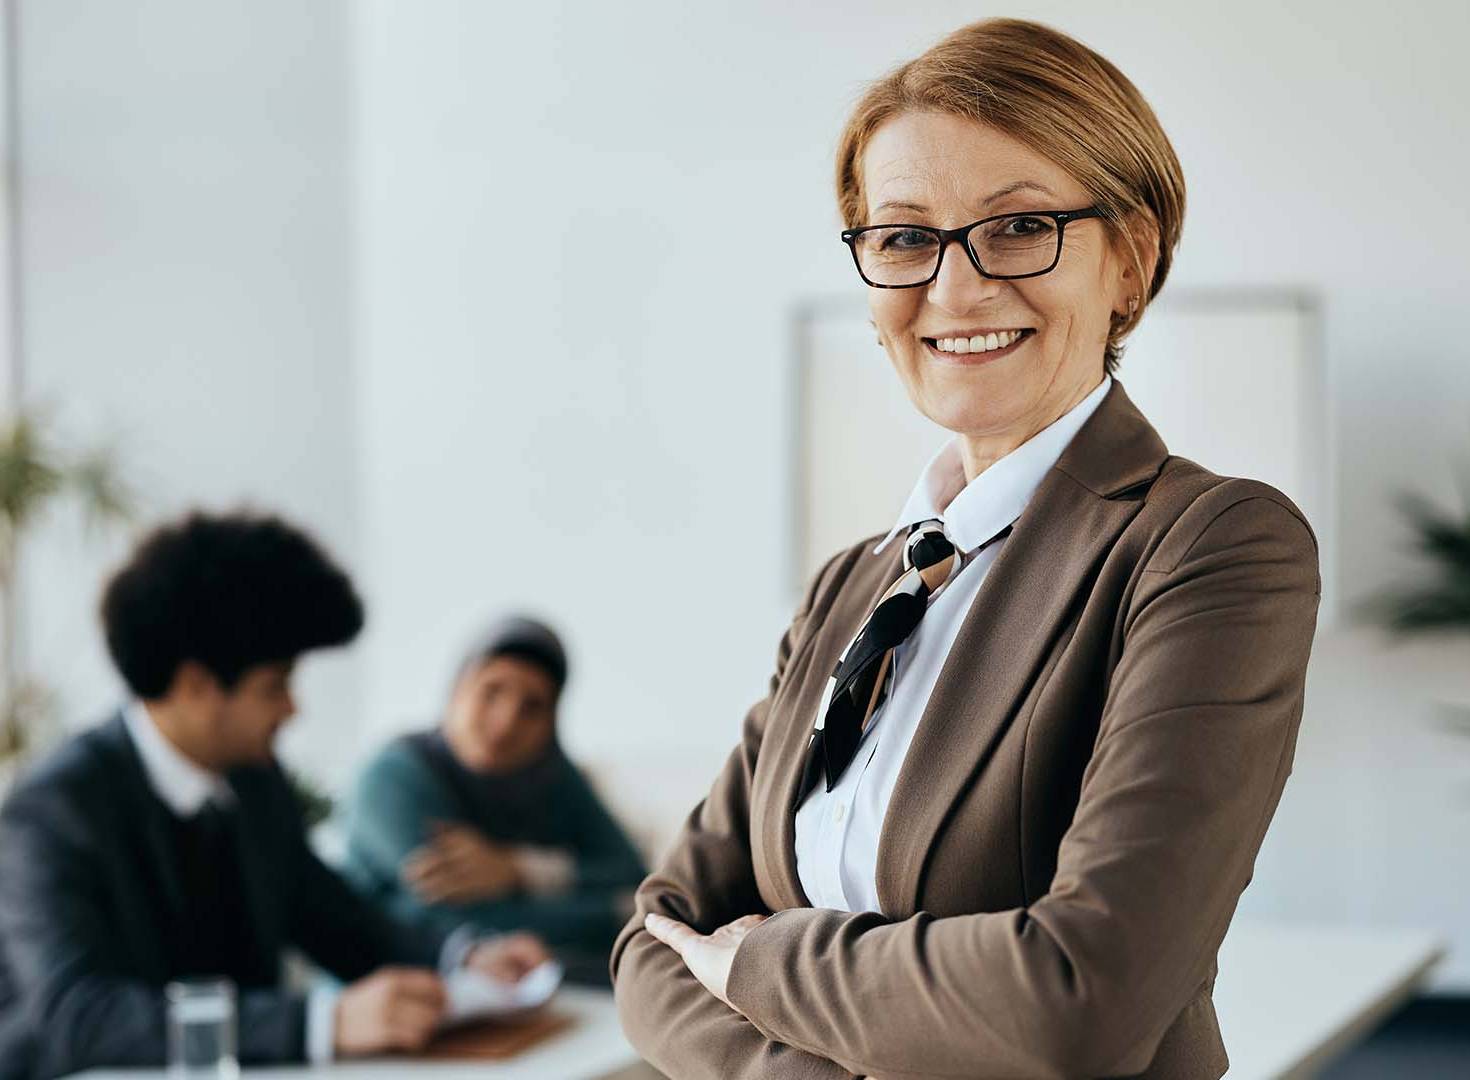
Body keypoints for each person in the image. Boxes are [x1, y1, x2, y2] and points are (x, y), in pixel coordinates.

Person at [612, 18, 1322, 1080]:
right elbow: (651, 944)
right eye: (905, 239)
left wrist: (762, 964)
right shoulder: (853, 586)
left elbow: (1084, 996)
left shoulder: (1209, 547)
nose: (954, 289)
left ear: (1130, 262)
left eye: (1021, 226)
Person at [0, 511, 547, 1079]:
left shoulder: (253, 782)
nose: (293, 708)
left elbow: (337, 919)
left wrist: (463, 957)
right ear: (196, 686)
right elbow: (77, 1016)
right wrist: (325, 1021)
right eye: (275, 685)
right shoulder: (52, 811)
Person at [344, 615, 646, 984]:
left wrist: (520, 870)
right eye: (491, 691)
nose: (506, 722)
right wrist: (611, 913)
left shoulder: (553, 776)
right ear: (457, 690)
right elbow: (448, 918)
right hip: (389, 991)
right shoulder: (396, 777)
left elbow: (632, 876)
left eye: (532, 707)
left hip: (529, 989)